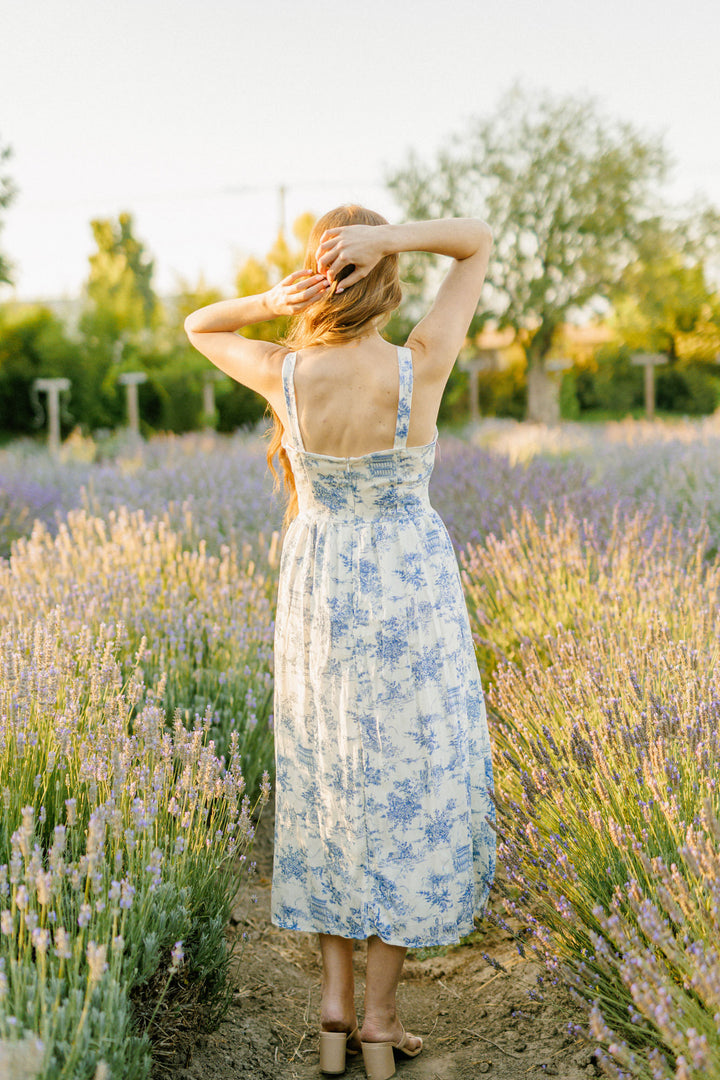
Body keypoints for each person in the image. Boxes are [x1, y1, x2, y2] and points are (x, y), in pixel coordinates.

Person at [185, 206, 496, 1080]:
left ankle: (333, 1010)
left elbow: (199, 325)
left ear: (318, 282)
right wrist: (391, 238)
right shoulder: (420, 364)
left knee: (329, 782)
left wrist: (271, 300)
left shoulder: (284, 374)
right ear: (387, 277)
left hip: (320, 595)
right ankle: (380, 1021)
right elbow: (477, 239)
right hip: (409, 598)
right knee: (406, 791)